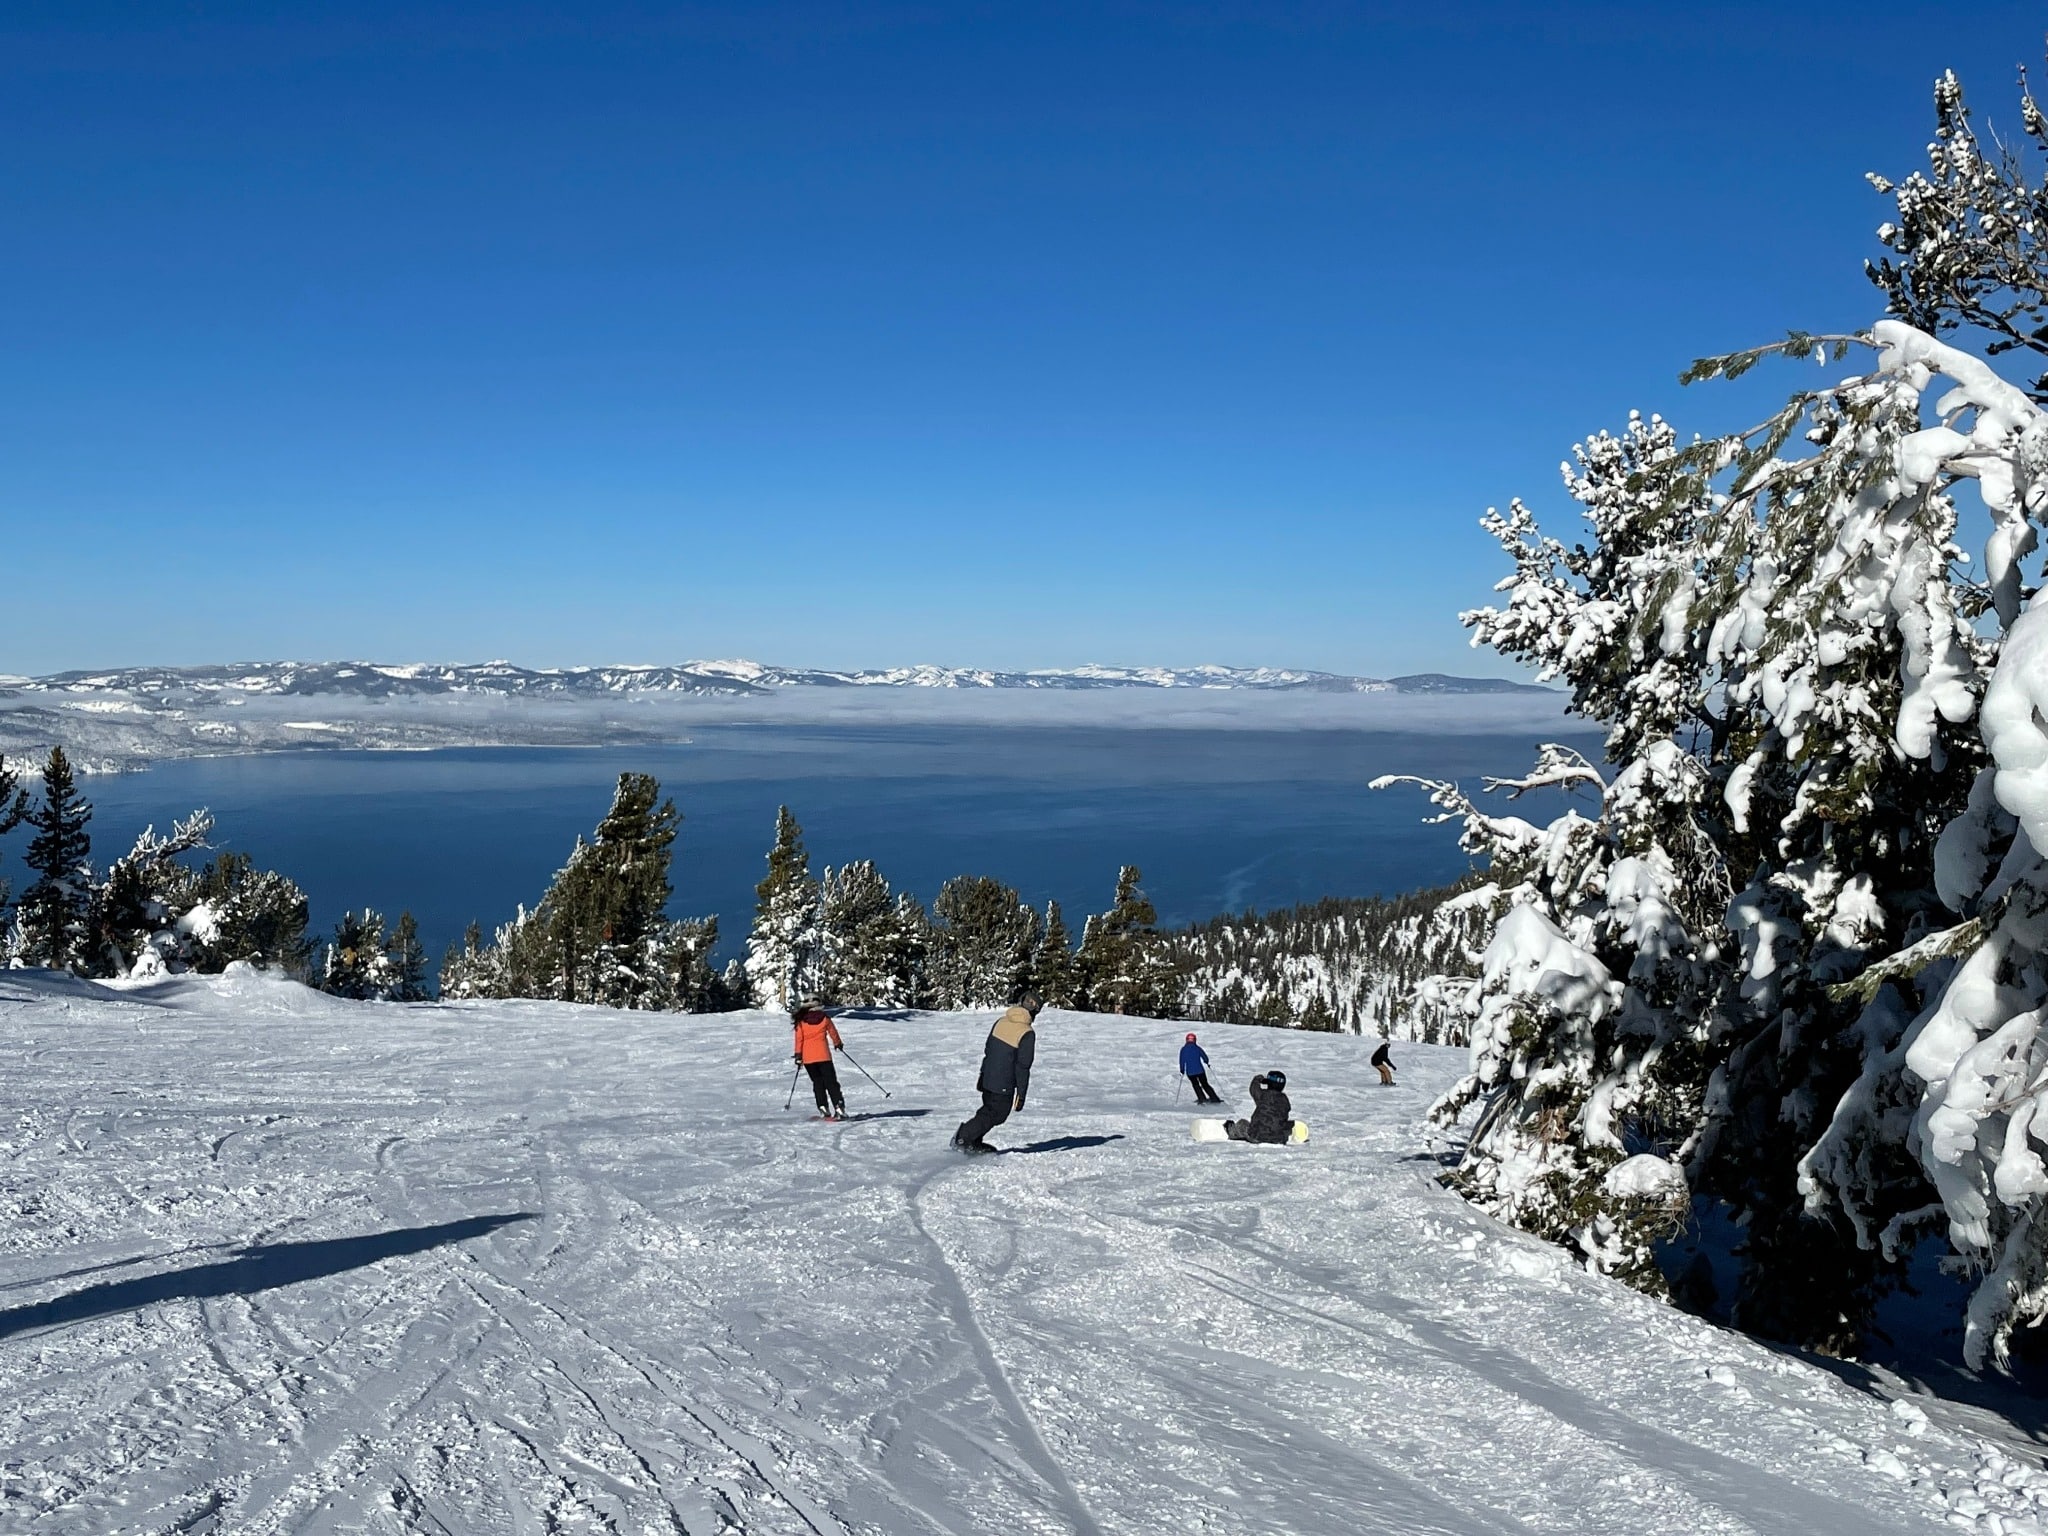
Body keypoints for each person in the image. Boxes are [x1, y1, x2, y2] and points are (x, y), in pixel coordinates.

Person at [952, 990, 1040, 1153]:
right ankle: (963, 1137)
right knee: (997, 1113)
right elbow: (1023, 1066)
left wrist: (982, 1075)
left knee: (988, 1109)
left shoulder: (1001, 1021)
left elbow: (989, 1050)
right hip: (1003, 1083)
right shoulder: (1026, 1033)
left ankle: (973, 1140)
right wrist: (1021, 1095)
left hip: (988, 1078)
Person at [792, 998, 849, 1120]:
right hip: (824, 1056)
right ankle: (839, 1106)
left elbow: (799, 1039)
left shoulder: (801, 1021)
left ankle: (822, 1106)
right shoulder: (824, 1018)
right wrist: (838, 1043)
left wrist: (798, 1055)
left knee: (818, 1082)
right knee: (831, 1082)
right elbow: (833, 1032)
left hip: (808, 1058)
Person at [1224, 1070, 1295, 1144]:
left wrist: (1258, 1079)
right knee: (1284, 1125)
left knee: (1242, 1123)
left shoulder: (1263, 1095)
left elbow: (1253, 1089)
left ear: (1268, 1083)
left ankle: (1232, 1131)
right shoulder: (1284, 1099)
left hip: (1257, 1135)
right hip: (1277, 1138)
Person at [1180, 1032, 1221, 1104]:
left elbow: (1182, 1060)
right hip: (1200, 1071)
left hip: (1190, 1072)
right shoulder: (1197, 1048)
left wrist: (1182, 1069)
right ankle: (1214, 1098)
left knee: (1196, 1085)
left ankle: (1202, 1098)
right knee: (1205, 1084)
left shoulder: (1183, 1049)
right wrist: (1206, 1061)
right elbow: (1204, 1056)